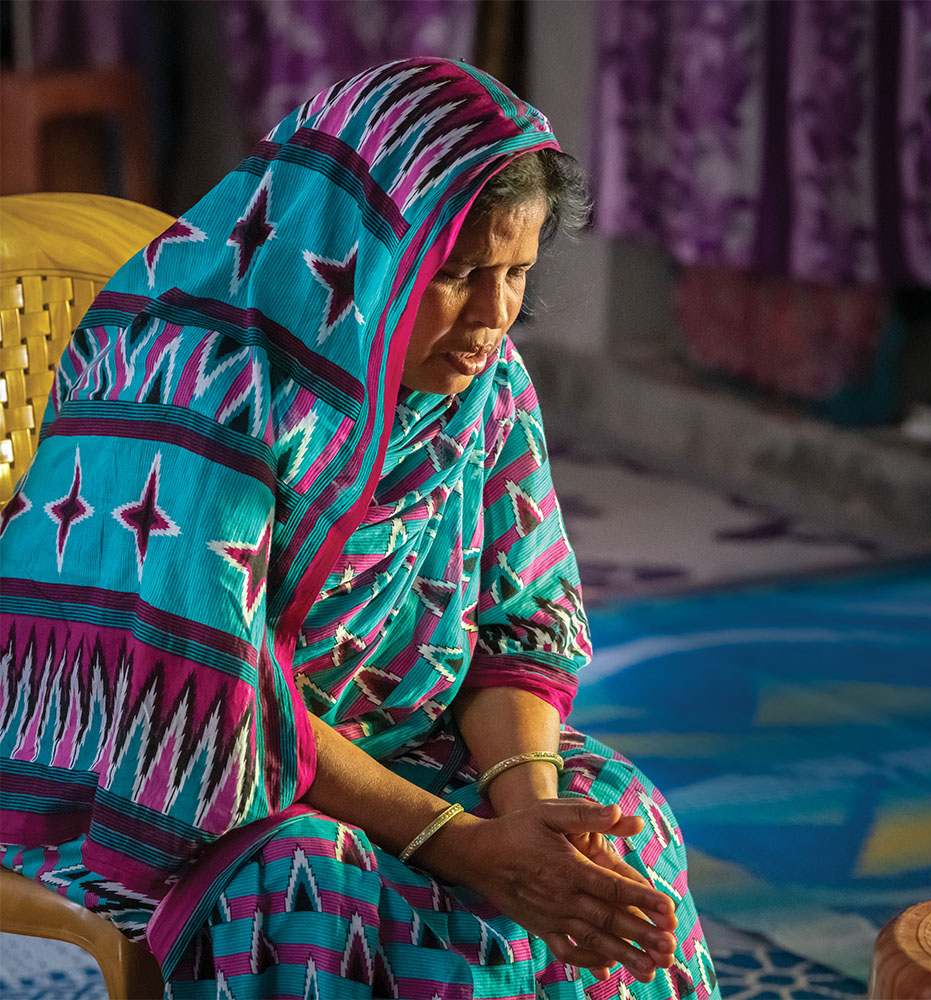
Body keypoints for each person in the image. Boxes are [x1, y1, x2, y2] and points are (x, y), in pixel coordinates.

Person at [0, 57, 719, 999]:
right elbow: (224, 703)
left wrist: (531, 826)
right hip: (181, 770)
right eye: (457, 275)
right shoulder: (204, 384)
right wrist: (464, 845)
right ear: (362, 248)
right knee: (317, 886)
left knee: (618, 822)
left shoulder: (482, 389)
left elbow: (519, 625)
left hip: (391, 737)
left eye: (516, 274)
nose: (494, 317)